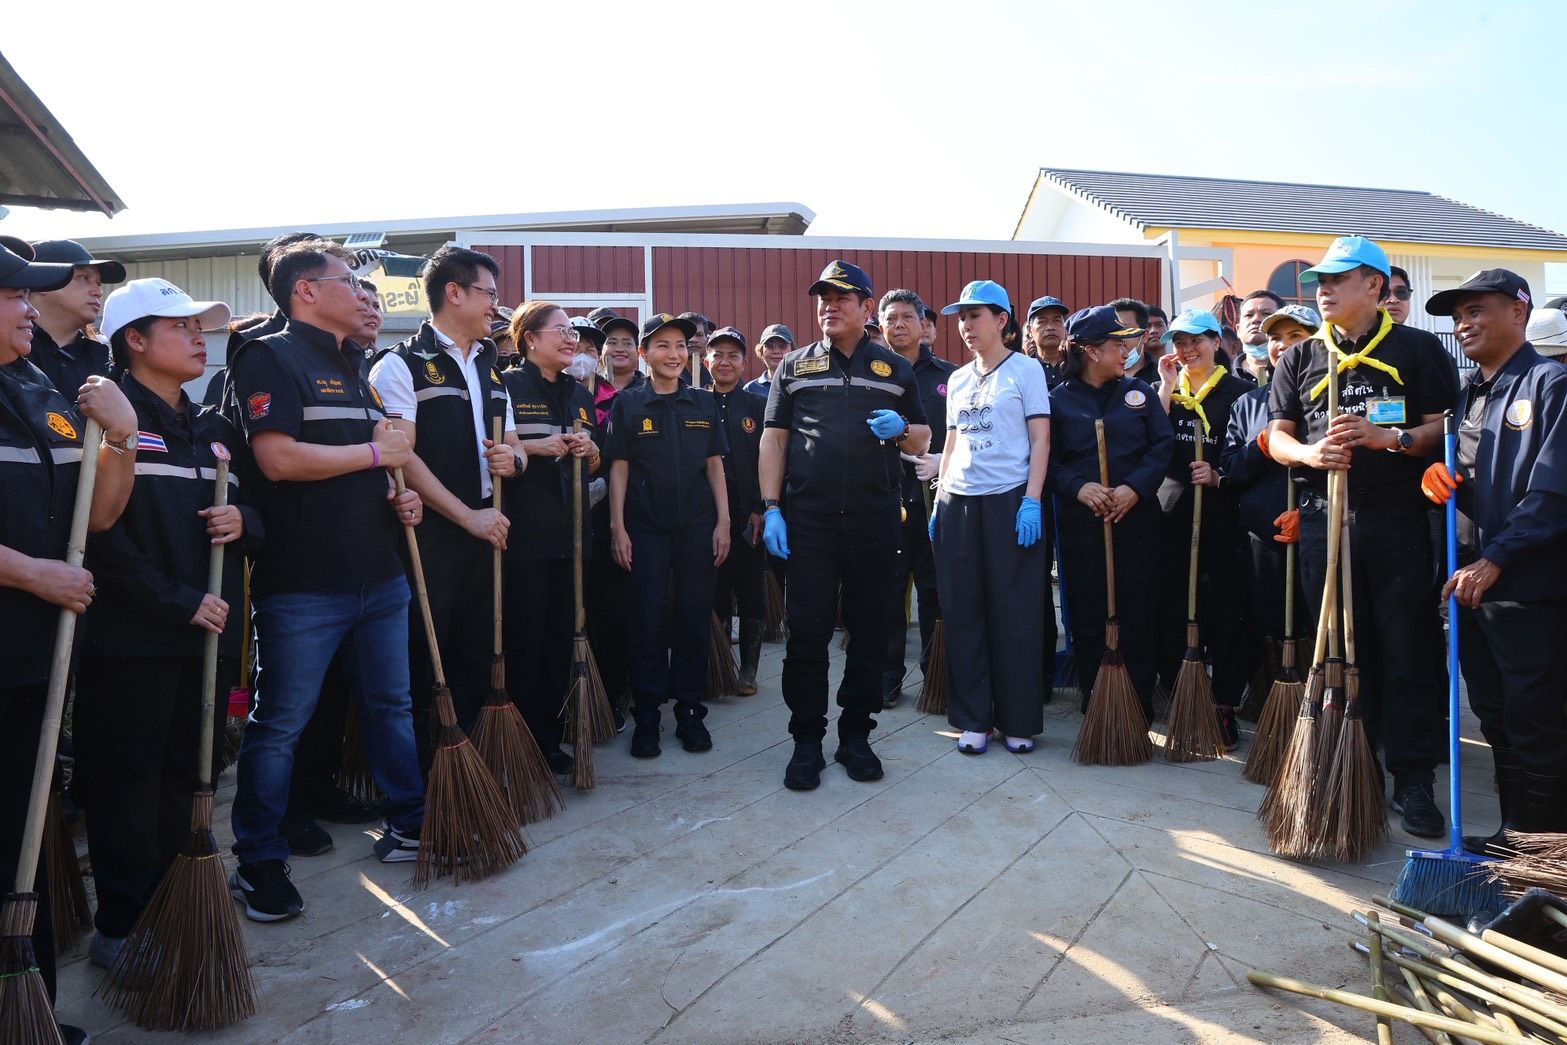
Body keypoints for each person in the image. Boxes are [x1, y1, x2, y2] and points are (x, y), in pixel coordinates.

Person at [226, 241, 428, 920]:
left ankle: (409, 824)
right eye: (348, 281)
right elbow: (277, 459)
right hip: (304, 582)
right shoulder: (270, 356)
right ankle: (258, 860)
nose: (363, 291)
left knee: (390, 707)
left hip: (379, 572)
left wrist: (395, 493)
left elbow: (369, 463)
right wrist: (376, 452)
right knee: (279, 723)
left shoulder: (356, 365)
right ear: (306, 292)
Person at [75, 279, 252, 969]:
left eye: (199, 325)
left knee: (190, 779)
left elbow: (256, 519)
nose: (196, 335)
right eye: (179, 326)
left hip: (203, 643)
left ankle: (179, 911)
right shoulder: (108, 414)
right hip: (132, 643)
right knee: (128, 786)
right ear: (135, 340)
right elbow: (98, 539)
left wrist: (244, 520)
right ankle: (122, 927)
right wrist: (176, 599)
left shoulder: (211, 425)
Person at [1266, 235, 1458, 839]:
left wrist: (1389, 439)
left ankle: (1413, 780)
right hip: (1326, 517)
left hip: (1396, 518)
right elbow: (1276, 436)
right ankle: (1350, 764)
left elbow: (1442, 429)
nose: (1322, 290)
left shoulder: (1417, 349)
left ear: (1374, 285)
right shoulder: (1301, 357)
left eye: (1337, 280)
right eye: (1320, 281)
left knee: (1405, 650)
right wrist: (1311, 452)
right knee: (1339, 650)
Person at [0, 239, 136, 1043]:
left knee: (23, 835)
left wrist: (117, 442)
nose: (28, 308)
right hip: (19, 629)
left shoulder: (37, 384)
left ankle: (31, 1010)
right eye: (14, 295)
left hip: (33, 663)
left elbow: (101, 513)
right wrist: (27, 573)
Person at [760, 260, 930, 790]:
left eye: (842, 298)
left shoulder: (894, 369)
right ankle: (806, 740)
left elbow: (922, 437)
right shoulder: (795, 367)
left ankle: (856, 735)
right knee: (807, 637)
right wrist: (770, 507)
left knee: (871, 634)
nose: (829, 306)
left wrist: (902, 427)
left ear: (865, 307)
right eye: (822, 298)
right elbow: (775, 439)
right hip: (808, 523)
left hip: (875, 521)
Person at [1419, 270, 1567, 851]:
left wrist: (1496, 559)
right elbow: (1475, 473)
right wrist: (1438, 477)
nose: (1465, 324)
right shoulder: (1470, 393)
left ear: (1519, 311)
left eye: (1479, 310)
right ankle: (1514, 834)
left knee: (1537, 720)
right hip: (1469, 581)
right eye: (1459, 315)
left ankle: (1547, 854)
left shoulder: (1550, 383)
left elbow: (1552, 493)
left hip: (1525, 587)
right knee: (1495, 715)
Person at [368, 246, 520, 770]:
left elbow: (517, 446)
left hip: (487, 528)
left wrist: (513, 459)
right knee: (424, 662)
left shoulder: (493, 368)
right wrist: (467, 516)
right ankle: (423, 784)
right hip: (430, 534)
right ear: (454, 293)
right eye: (490, 294)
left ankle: (470, 775)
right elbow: (401, 456)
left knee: (478, 655)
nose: (496, 307)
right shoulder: (400, 365)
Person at [929, 281, 1052, 752]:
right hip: (960, 500)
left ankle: (1017, 719)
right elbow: (954, 441)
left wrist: (1032, 499)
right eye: (961, 318)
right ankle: (975, 718)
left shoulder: (1026, 371)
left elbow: (1041, 439)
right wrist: (940, 499)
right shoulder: (958, 379)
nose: (965, 326)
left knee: (1014, 611)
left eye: (975, 316)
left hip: (1009, 500)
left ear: (1002, 320)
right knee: (964, 610)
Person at [607, 314, 730, 756]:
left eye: (679, 345)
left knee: (694, 616)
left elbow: (715, 465)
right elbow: (618, 467)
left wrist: (724, 522)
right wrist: (617, 526)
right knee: (648, 619)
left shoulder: (703, 403)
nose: (673, 354)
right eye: (661, 346)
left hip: (698, 527)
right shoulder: (629, 404)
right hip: (645, 528)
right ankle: (647, 715)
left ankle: (690, 711)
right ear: (645, 354)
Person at [1049, 305, 1171, 715]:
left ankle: (1136, 702)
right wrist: (1078, 487)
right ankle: (1096, 702)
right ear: (1090, 350)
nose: (1127, 351)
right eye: (1117, 344)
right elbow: (1046, 460)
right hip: (1083, 524)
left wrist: (1134, 488)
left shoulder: (1141, 394)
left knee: (1139, 608)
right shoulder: (1057, 401)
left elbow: (1162, 446)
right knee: (1087, 612)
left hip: (1136, 520)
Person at [501, 301, 600, 775]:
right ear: (529, 338)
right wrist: (536, 447)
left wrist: (591, 449)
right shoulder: (507, 385)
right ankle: (521, 741)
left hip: (573, 536)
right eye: (558, 330)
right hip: (524, 536)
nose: (570, 339)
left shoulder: (580, 394)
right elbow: (493, 449)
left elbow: (595, 463)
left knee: (562, 638)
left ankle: (550, 736)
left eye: (572, 333)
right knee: (527, 637)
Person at [1152, 309, 1253, 744]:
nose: (1187, 350)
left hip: (1223, 517)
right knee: (1172, 609)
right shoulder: (1166, 392)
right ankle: (1183, 697)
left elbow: (1252, 455)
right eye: (1179, 342)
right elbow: (1149, 439)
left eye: (1196, 340)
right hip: (1171, 513)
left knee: (1226, 614)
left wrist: (1219, 475)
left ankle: (1223, 703)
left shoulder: (1241, 393)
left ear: (1217, 342)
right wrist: (1165, 387)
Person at [1220, 305, 1319, 718]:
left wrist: (1311, 513)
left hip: (1316, 534)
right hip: (1262, 536)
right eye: (1277, 337)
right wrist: (1261, 447)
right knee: (1267, 623)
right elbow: (1230, 469)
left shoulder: (1324, 396)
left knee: (1314, 625)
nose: (1283, 346)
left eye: (1296, 337)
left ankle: (1316, 710)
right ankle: (1276, 708)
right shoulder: (1248, 404)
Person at [879, 288, 954, 707]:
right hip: (883, 497)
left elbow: (967, 436)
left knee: (934, 590)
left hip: (934, 497)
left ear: (923, 324)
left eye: (908, 317)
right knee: (888, 591)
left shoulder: (949, 376)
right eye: (892, 319)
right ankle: (888, 674)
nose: (900, 326)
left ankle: (936, 673)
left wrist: (942, 461)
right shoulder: (871, 373)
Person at [705, 326, 767, 695]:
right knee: (716, 591)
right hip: (708, 519)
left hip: (749, 519)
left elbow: (771, 458)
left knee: (751, 592)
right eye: (719, 355)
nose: (725, 362)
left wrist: (761, 508)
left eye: (733, 355)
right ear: (707, 360)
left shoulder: (758, 406)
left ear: (745, 362)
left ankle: (749, 670)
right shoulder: (696, 402)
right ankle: (719, 665)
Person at [26, 239, 126, 395]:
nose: (98, 292)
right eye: (84, 278)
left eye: (98, 283)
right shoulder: (9, 353)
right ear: (41, 282)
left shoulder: (106, 364)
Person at [1025, 295, 1070, 385]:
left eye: (1057, 321)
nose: (1050, 327)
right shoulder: (1023, 369)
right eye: (1042, 322)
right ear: (1030, 330)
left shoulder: (1078, 368)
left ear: (1065, 328)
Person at [1113, 297, 1159, 386]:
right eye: (1113, 331)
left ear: (1144, 336)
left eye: (1125, 330)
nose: (1118, 337)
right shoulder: (1098, 379)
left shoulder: (1165, 376)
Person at [745, 323, 793, 397]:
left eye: (782, 346)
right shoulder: (750, 390)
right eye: (770, 346)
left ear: (792, 350)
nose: (776, 351)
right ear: (761, 351)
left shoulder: (800, 385)